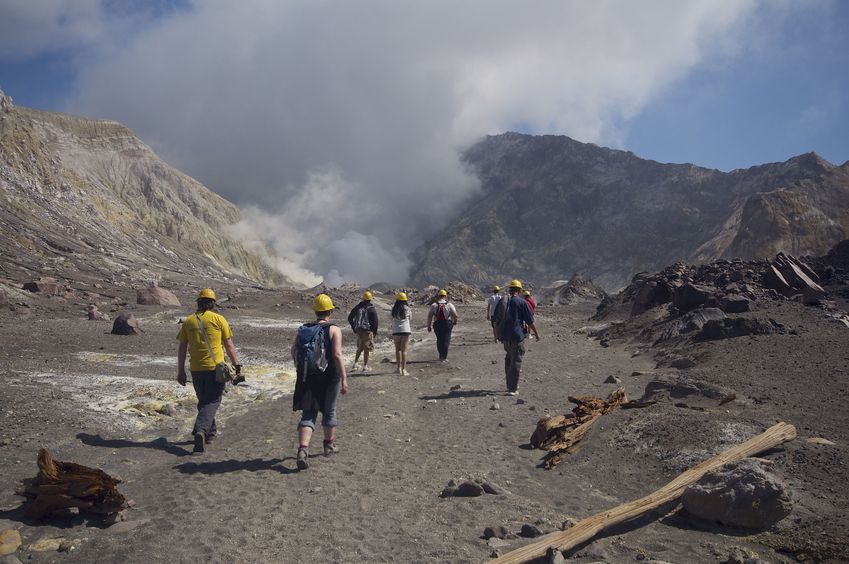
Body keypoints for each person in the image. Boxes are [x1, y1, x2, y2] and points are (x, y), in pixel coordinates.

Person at [176, 288, 241, 454]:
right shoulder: (219, 319)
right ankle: (200, 430)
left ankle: (209, 433)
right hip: (215, 368)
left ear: (198, 302)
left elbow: (182, 347)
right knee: (212, 401)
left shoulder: (189, 321)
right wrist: (237, 365)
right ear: (213, 304)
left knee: (204, 401)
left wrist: (180, 370)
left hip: (196, 369)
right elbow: (229, 345)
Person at [291, 294, 348, 470]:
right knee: (329, 410)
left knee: (309, 413)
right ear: (330, 311)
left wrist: (301, 371)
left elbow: (293, 350)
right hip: (329, 378)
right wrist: (344, 378)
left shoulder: (304, 329)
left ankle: (302, 449)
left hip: (308, 377)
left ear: (316, 311)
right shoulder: (334, 329)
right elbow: (337, 355)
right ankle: (328, 445)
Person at [500, 280, 539, 396]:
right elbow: (529, 321)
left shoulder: (504, 301)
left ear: (510, 290)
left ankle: (509, 384)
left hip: (505, 336)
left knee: (509, 358)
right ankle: (512, 388)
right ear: (519, 290)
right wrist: (536, 333)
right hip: (517, 335)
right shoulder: (522, 302)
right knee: (516, 361)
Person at [347, 290, 379, 372]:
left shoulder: (358, 307)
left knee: (359, 348)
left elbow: (350, 317)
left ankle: (355, 364)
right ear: (370, 299)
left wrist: (354, 328)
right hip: (367, 331)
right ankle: (365, 366)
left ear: (363, 298)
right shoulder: (371, 309)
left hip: (359, 331)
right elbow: (375, 321)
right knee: (366, 349)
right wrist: (374, 332)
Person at [426, 289, 458, 362]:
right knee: (446, 340)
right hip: (447, 324)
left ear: (438, 296)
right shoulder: (449, 304)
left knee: (439, 339)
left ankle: (441, 355)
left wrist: (429, 326)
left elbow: (430, 316)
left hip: (437, 324)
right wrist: (455, 321)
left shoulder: (434, 305)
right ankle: (444, 357)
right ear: (445, 296)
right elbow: (455, 315)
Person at [391, 292, 413, 375]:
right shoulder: (408, 308)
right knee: (404, 350)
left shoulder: (394, 309)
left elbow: (391, 317)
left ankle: (398, 368)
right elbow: (410, 318)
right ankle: (404, 370)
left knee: (397, 350)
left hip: (396, 331)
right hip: (406, 330)